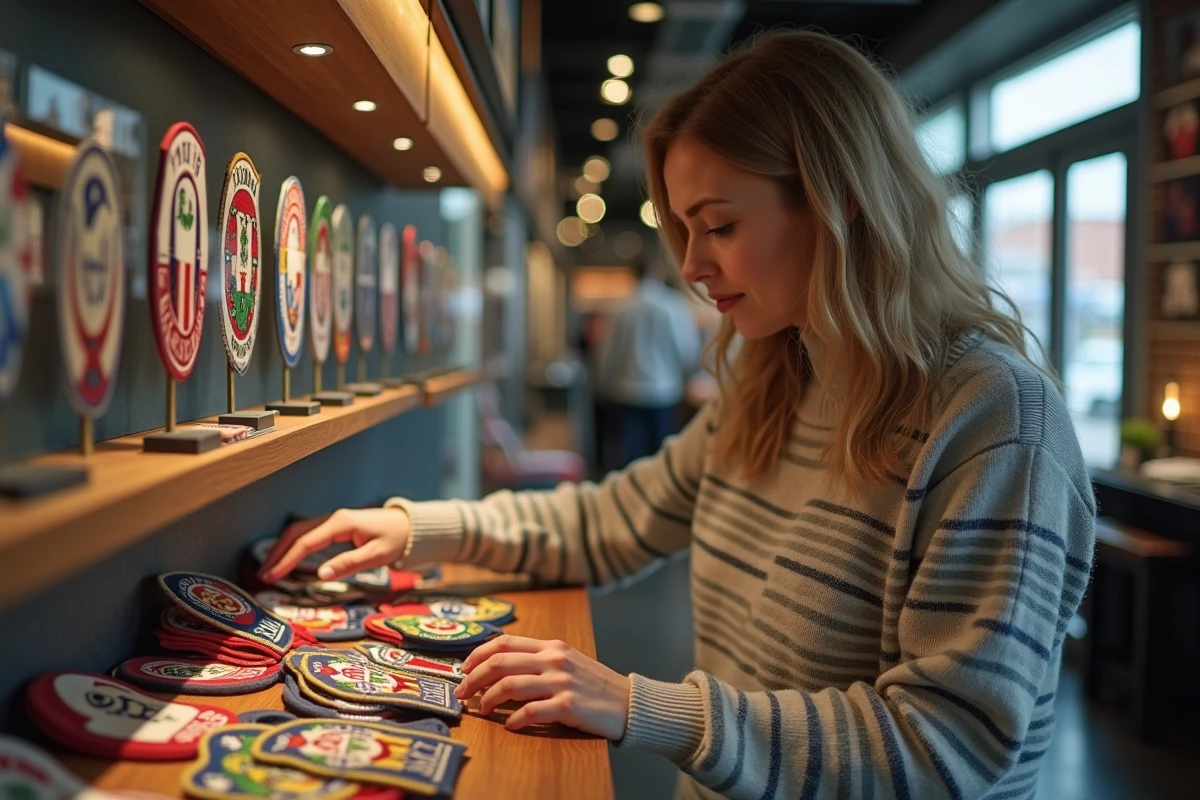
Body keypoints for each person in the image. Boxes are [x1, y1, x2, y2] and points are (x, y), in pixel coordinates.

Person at [261, 30, 1095, 800]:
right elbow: (614, 520)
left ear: (839, 201)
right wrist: (417, 529)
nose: (693, 264)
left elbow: (947, 745)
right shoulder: (777, 379)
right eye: (686, 232)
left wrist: (639, 706)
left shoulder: (995, 419)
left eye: (720, 226)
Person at [597, 257, 701, 465]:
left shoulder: (622, 308)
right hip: (664, 390)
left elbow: (610, 352)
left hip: (628, 390)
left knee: (632, 455)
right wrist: (688, 375)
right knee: (663, 455)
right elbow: (685, 348)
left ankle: (630, 496)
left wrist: (604, 383)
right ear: (656, 274)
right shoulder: (672, 305)